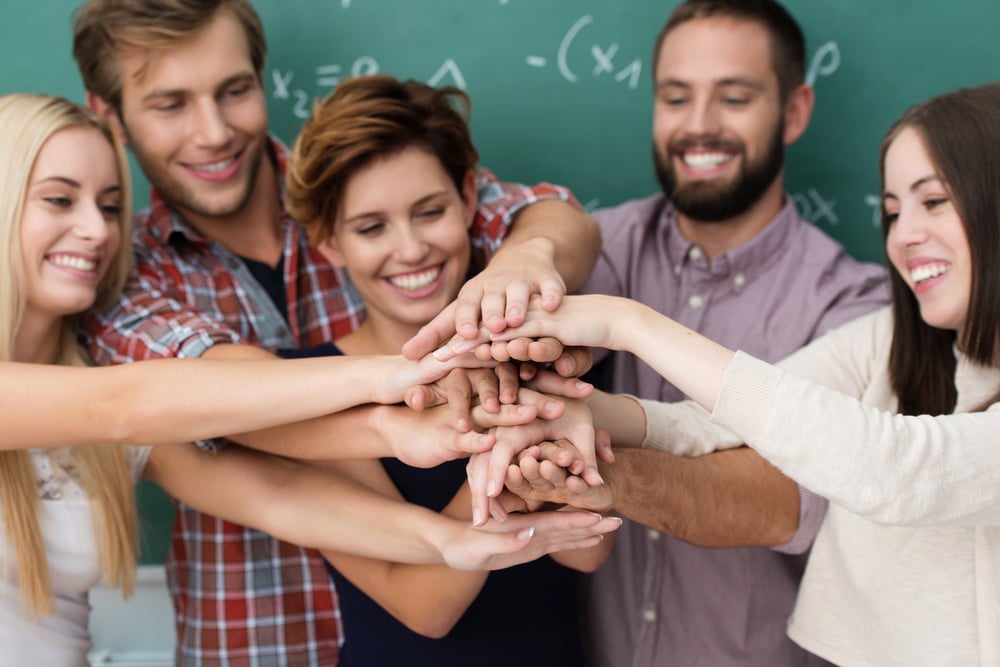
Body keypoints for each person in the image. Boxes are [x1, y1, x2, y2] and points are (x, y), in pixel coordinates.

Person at [0, 92, 620, 666]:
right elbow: (126, 403)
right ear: (330, 242)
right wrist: (398, 385)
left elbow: (278, 495)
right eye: (59, 199)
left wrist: (447, 538)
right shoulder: (122, 392)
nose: (98, 230)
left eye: (112, 205)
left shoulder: (100, 375)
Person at [489, 80, 1000, 666]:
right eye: (891, 212)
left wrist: (626, 323)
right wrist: (557, 410)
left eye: (933, 202)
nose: (904, 235)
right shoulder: (887, 338)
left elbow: (894, 470)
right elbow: (710, 422)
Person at [456, 1, 887, 665]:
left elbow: (779, 502)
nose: (699, 125)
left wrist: (607, 479)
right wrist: (526, 259)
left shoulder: (852, 306)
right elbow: (552, 226)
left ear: (794, 111)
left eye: (734, 97)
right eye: (676, 97)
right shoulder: (607, 248)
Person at [282, 73, 610, 666]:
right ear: (328, 242)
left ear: (467, 199)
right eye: (371, 227)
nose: (410, 250)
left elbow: (585, 551)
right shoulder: (309, 386)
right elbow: (425, 607)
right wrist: (506, 448)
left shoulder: (542, 353)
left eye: (429, 211)